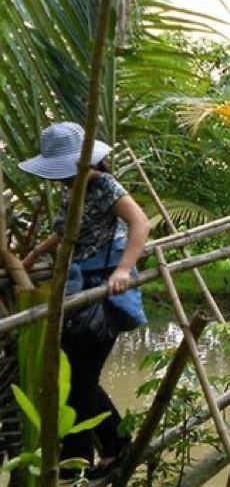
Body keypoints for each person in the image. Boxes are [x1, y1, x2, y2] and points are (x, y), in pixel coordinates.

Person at [20, 122, 148, 478]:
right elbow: (64, 231)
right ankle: (109, 448)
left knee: (81, 377)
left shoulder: (105, 184)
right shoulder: (71, 189)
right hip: (79, 289)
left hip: (104, 290)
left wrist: (124, 269)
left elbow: (141, 224)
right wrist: (30, 259)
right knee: (78, 374)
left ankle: (81, 460)